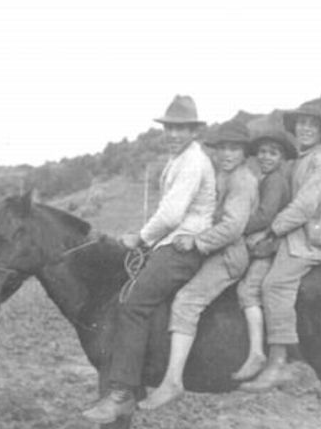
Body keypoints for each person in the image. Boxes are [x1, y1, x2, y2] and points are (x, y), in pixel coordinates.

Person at [82, 95, 216, 424]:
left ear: (194, 131)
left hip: (183, 246)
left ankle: (122, 393)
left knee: (133, 304)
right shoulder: (179, 159)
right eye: (169, 128)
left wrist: (140, 238)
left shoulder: (192, 162)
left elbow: (171, 215)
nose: (173, 134)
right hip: (170, 242)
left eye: (181, 128)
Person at [137, 120, 259, 410]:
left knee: (186, 301)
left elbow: (232, 227)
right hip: (216, 250)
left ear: (245, 153)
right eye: (222, 148)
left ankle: (173, 381)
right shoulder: (224, 174)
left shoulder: (242, 181)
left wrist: (197, 241)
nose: (226, 154)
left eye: (234, 149)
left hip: (228, 255)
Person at [240, 103, 321, 392]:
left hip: (312, 239)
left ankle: (278, 364)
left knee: (275, 285)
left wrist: (270, 231)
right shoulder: (301, 158)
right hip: (294, 232)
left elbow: (303, 207)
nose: (305, 128)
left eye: (313, 124)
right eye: (301, 123)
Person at [230, 129, 297, 381]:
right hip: (263, 242)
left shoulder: (275, 181)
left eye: (273, 153)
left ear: (282, 157)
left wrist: (235, 226)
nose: (266, 157)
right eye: (262, 152)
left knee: (248, 291)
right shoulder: (266, 178)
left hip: (268, 247)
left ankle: (257, 353)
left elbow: (265, 216)